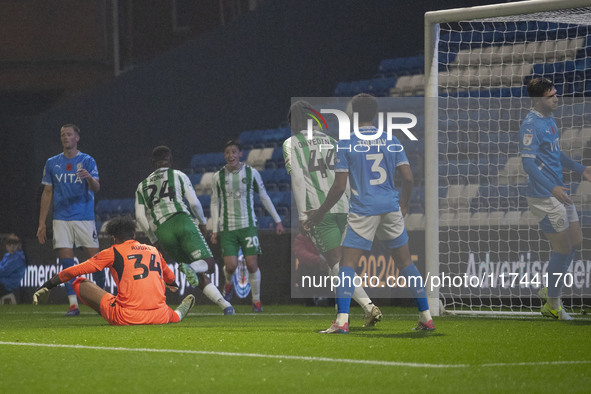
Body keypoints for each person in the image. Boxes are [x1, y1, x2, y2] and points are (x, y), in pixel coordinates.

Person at [305, 93, 435, 334]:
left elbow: (339, 187)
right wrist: (403, 204)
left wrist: (320, 212)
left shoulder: (346, 143)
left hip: (363, 210)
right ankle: (426, 317)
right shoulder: (392, 140)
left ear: (353, 115)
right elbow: (408, 178)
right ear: (374, 114)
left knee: (347, 266)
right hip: (390, 207)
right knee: (406, 263)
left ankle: (342, 321)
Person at [283, 100, 383, 326]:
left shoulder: (291, 144)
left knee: (337, 265)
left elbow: (298, 179)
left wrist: (302, 216)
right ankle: (342, 315)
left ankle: (368, 306)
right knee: (334, 267)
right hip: (344, 207)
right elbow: (345, 180)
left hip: (319, 210)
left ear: (293, 121)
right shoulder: (333, 142)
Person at [32, 216, 195, 325]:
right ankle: (177, 315)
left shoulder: (113, 251)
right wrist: (171, 283)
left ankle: (106, 311)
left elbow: (75, 270)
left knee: (79, 282)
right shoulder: (153, 250)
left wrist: (48, 285)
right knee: (165, 310)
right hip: (160, 316)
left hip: (127, 317)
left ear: (113, 238)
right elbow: (171, 277)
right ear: (134, 234)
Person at [519, 77, 591, 320]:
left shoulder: (549, 120)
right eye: (551, 96)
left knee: (575, 241)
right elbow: (528, 164)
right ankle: (553, 305)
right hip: (544, 196)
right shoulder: (530, 125)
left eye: (556, 94)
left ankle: (550, 291)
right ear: (540, 99)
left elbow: (555, 153)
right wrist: (552, 189)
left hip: (558, 191)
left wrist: (581, 170)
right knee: (562, 248)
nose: (556, 98)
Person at [135, 146, 234, 315]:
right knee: (208, 264)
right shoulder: (178, 175)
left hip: (162, 231)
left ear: (153, 163)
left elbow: (140, 217)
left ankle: (225, 306)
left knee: (193, 272)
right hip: (181, 220)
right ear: (170, 160)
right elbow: (194, 203)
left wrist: (153, 239)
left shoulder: (142, 185)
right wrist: (202, 222)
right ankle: (198, 273)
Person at [37, 124, 105, 316]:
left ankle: (104, 300)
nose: (65, 137)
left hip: (84, 217)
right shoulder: (52, 163)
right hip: (61, 219)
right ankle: (73, 304)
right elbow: (47, 192)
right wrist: (42, 223)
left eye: (69, 134)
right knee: (67, 262)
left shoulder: (87, 160)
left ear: (77, 138)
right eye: (62, 135)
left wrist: (89, 178)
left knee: (96, 260)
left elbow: (96, 187)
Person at [210, 140, 284, 312]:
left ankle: (256, 301)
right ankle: (228, 285)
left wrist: (278, 220)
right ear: (224, 156)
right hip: (228, 228)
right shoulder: (218, 177)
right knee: (231, 266)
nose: (231, 156)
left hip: (248, 225)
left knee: (252, 264)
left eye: (234, 152)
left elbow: (264, 196)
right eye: (228, 153)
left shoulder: (251, 173)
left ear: (240, 154)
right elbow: (214, 203)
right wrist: (215, 229)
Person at [0, 234, 27, 300]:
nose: (12, 246)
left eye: (14, 243)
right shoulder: (7, 256)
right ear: (6, 246)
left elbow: (4, 272)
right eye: (9, 243)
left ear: (18, 245)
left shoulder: (19, 258)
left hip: (8, 286)